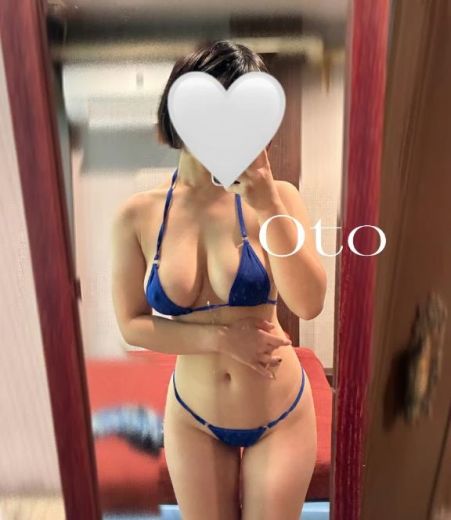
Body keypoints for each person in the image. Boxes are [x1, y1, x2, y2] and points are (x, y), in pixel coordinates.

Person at [111, 39, 327, 520]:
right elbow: (131, 323)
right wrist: (223, 339)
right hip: (194, 418)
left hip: (279, 414)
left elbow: (310, 302)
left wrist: (269, 205)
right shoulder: (137, 215)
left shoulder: (280, 197)